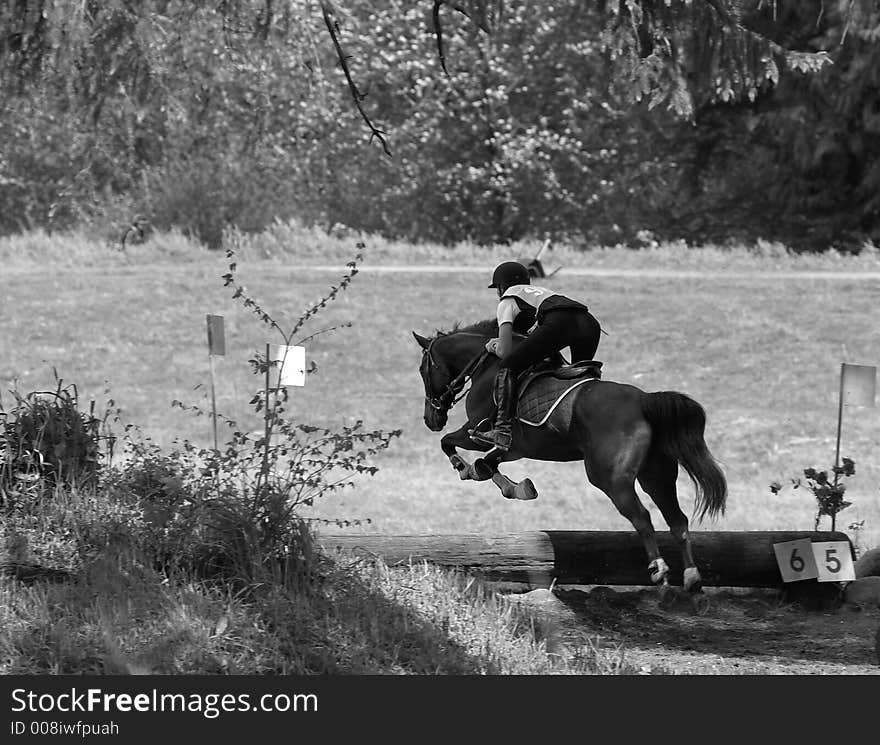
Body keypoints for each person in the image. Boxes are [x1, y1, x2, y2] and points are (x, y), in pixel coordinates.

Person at [471, 261, 601, 452]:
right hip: (589, 323)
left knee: (508, 366)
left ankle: (502, 430)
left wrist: (493, 346)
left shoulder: (508, 301)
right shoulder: (539, 293)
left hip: (560, 323)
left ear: (501, 286)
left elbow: (505, 351)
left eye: (497, 288)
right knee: (581, 378)